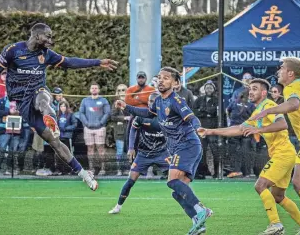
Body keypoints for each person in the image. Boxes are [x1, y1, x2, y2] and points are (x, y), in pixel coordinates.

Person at [0, 23, 117, 191]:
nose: (51, 40)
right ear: (37, 36)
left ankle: (84, 175)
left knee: (44, 99)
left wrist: (97, 62)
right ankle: (78, 166)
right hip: (23, 103)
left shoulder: (46, 54)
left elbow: (70, 62)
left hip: (38, 92)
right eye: (48, 36)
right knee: (54, 142)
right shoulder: (13, 50)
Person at [199, 78, 300, 235]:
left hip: (283, 154)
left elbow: (283, 124)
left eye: (255, 89)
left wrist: (260, 130)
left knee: (260, 185)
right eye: (250, 89)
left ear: (264, 92)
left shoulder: (269, 105)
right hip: (283, 154)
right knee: (278, 196)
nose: (250, 91)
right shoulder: (258, 111)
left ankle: (275, 224)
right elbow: (238, 129)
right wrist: (210, 131)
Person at [115, 67, 213, 235]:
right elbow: (147, 112)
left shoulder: (176, 100)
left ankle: (201, 209)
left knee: (172, 182)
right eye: (159, 77)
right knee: (178, 191)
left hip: (187, 145)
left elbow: (191, 117)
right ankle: (198, 223)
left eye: (166, 78)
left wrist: (199, 128)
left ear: (175, 83)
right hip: (180, 148)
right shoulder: (159, 101)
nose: (161, 80)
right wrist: (127, 107)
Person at [251, 57, 300, 235]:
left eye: (282, 68)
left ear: (290, 73)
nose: (279, 70)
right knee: (298, 182)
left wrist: (268, 110)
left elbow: (293, 105)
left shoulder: (292, 88)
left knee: (299, 181)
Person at [108, 92, 169, 214]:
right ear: (148, 103)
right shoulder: (141, 116)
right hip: (143, 154)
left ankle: (194, 206)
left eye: (155, 101)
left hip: (162, 153)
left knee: (177, 180)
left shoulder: (166, 117)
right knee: (130, 181)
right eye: (150, 101)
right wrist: (131, 147)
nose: (152, 104)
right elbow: (133, 130)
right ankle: (118, 206)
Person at [79, 83, 111, 175]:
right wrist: (86, 123)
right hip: (88, 128)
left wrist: (101, 123)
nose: (94, 89)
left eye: (96, 88)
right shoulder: (85, 100)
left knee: (100, 148)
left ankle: (103, 169)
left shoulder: (103, 100)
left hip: (100, 128)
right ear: (90, 90)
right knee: (90, 149)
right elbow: (81, 113)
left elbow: (107, 113)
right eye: (92, 88)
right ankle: (91, 169)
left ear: (99, 90)